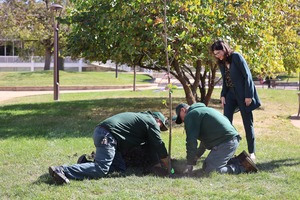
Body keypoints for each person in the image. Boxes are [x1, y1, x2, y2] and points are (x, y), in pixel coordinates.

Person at [49, 111, 170, 184]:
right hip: (107, 135)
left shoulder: (141, 119)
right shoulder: (151, 121)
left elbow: (151, 145)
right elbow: (158, 143)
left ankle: (84, 163)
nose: (160, 129)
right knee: (102, 169)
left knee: (119, 167)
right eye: (161, 126)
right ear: (158, 119)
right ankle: (62, 170)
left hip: (106, 135)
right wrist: (166, 162)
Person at [211, 40, 261, 161]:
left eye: (218, 52)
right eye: (215, 54)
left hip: (243, 94)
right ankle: (226, 150)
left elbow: (247, 76)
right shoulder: (221, 63)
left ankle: (252, 151)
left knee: (247, 122)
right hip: (230, 95)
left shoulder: (236, 57)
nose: (217, 56)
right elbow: (225, 80)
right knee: (226, 122)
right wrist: (223, 95)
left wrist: (249, 95)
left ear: (224, 49)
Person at [174, 102, 258, 174]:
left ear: (183, 110)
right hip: (230, 141)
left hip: (226, 142)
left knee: (211, 170)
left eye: (180, 118)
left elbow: (191, 141)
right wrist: (196, 156)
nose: (183, 121)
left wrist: (189, 163)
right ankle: (239, 160)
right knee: (206, 165)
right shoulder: (201, 111)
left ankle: (243, 167)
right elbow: (204, 141)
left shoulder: (191, 115)